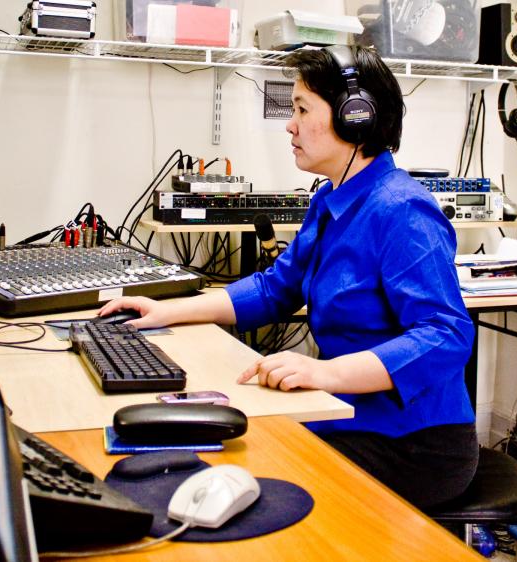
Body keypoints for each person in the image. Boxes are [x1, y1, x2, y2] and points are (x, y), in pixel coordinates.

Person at [99, 45, 479, 509]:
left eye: (302, 109)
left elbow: (446, 335)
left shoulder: (402, 210)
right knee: (215, 454)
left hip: (415, 446)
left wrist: (324, 372)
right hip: (349, 415)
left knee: (250, 466)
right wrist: (167, 311)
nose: (290, 124)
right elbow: (274, 289)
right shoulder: (330, 202)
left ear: (354, 118)